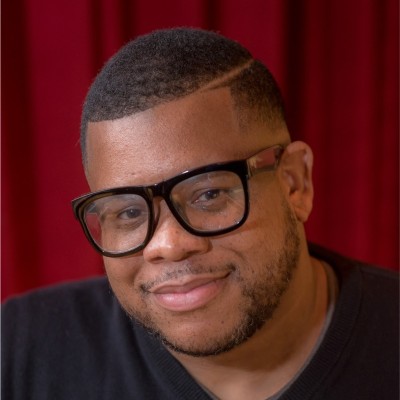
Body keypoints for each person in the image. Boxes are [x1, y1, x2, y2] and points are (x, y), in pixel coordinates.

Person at [2, 28, 398, 400]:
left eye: (209, 194)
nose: (168, 245)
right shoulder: (21, 350)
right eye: (128, 211)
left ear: (294, 184)